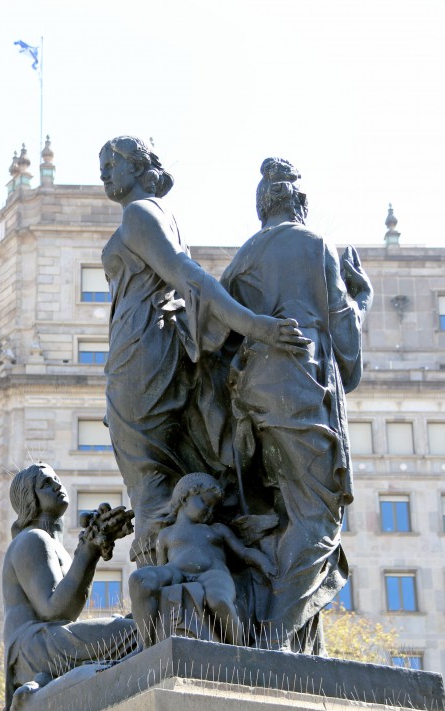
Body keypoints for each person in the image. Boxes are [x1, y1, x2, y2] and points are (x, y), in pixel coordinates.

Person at [99, 137, 310, 566]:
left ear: (141, 167)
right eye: (101, 164)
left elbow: (188, 277)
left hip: (140, 354)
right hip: (151, 348)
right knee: (162, 476)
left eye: (113, 162)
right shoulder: (156, 216)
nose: (104, 171)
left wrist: (255, 327)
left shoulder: (140, 213)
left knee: (148, 478)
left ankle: (162, 602)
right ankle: (179, 591)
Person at [220, 157, 373, 653]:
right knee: (317, 519)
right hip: (301, 390)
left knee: (280, 517)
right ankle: (273, 641)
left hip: (253, 401)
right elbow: (344, 343)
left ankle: (302, 642)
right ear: (300, 204)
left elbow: (216, 332)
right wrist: (361, 298)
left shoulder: (242, 256)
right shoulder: (315, 246)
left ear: (262, 207)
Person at [2, 463, 138, 711]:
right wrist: (89, 551)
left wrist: (91, 548)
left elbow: (66, 611)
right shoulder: (32, 539)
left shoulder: (54, 546)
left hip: (48, 640)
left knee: (136, 626)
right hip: (34, 647)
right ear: (30, 498)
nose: (56, 485)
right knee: (138, 631)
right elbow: (53, 610)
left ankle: (43, 689)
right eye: (46, 483)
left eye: (56, 479)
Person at [128, 473, 276, 647]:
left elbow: (242, 552)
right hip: (176, 571)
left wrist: (262, 561)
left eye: (214, 507)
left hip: (212, 573)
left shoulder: (217, 530)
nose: (210, 511)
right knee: (139, 579)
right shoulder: (165, 534)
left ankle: (238, 648)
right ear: (184, 498)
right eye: (205, 502)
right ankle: (145, 645)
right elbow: (161, 565)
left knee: (219, 600)